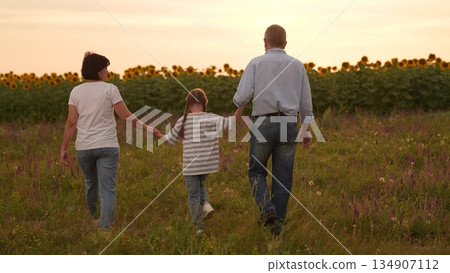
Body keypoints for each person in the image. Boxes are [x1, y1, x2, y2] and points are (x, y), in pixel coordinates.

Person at [60, 52, 162, 230]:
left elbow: (71, 123)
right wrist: (150, 129)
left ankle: (95, 218)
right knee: (108, 189)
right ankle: (104, 229)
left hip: (84, 147)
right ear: (99, 71)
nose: (107, 72)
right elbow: (126, 117)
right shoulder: (110, 89)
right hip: (107, 145)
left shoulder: (76, 91)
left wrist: (64, 147)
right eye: (106, 68)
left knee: (91, 184)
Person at [232, 24, 314, 236]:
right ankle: (277, 230)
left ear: (265, 42)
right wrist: (306, 129)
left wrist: (239, 105)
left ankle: (266, 208)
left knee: (256, 171)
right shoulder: (298, 66)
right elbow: (306, 104)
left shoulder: (256, 63)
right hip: (289, 124)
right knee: (283, 178)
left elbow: (241, 97)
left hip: (263, 124)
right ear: (285, 44)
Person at [160, 88, 244, 237]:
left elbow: (171, 141)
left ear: (189, 103)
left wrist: (159, 134)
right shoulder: (212, 118)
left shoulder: (182, 120)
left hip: (191, 166)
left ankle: (198, 227)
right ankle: (206, 204)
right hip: (207, 165)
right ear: (205, 102)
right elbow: (233, 121)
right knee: (200, 184)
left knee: (193, 196)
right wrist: (241, 104)